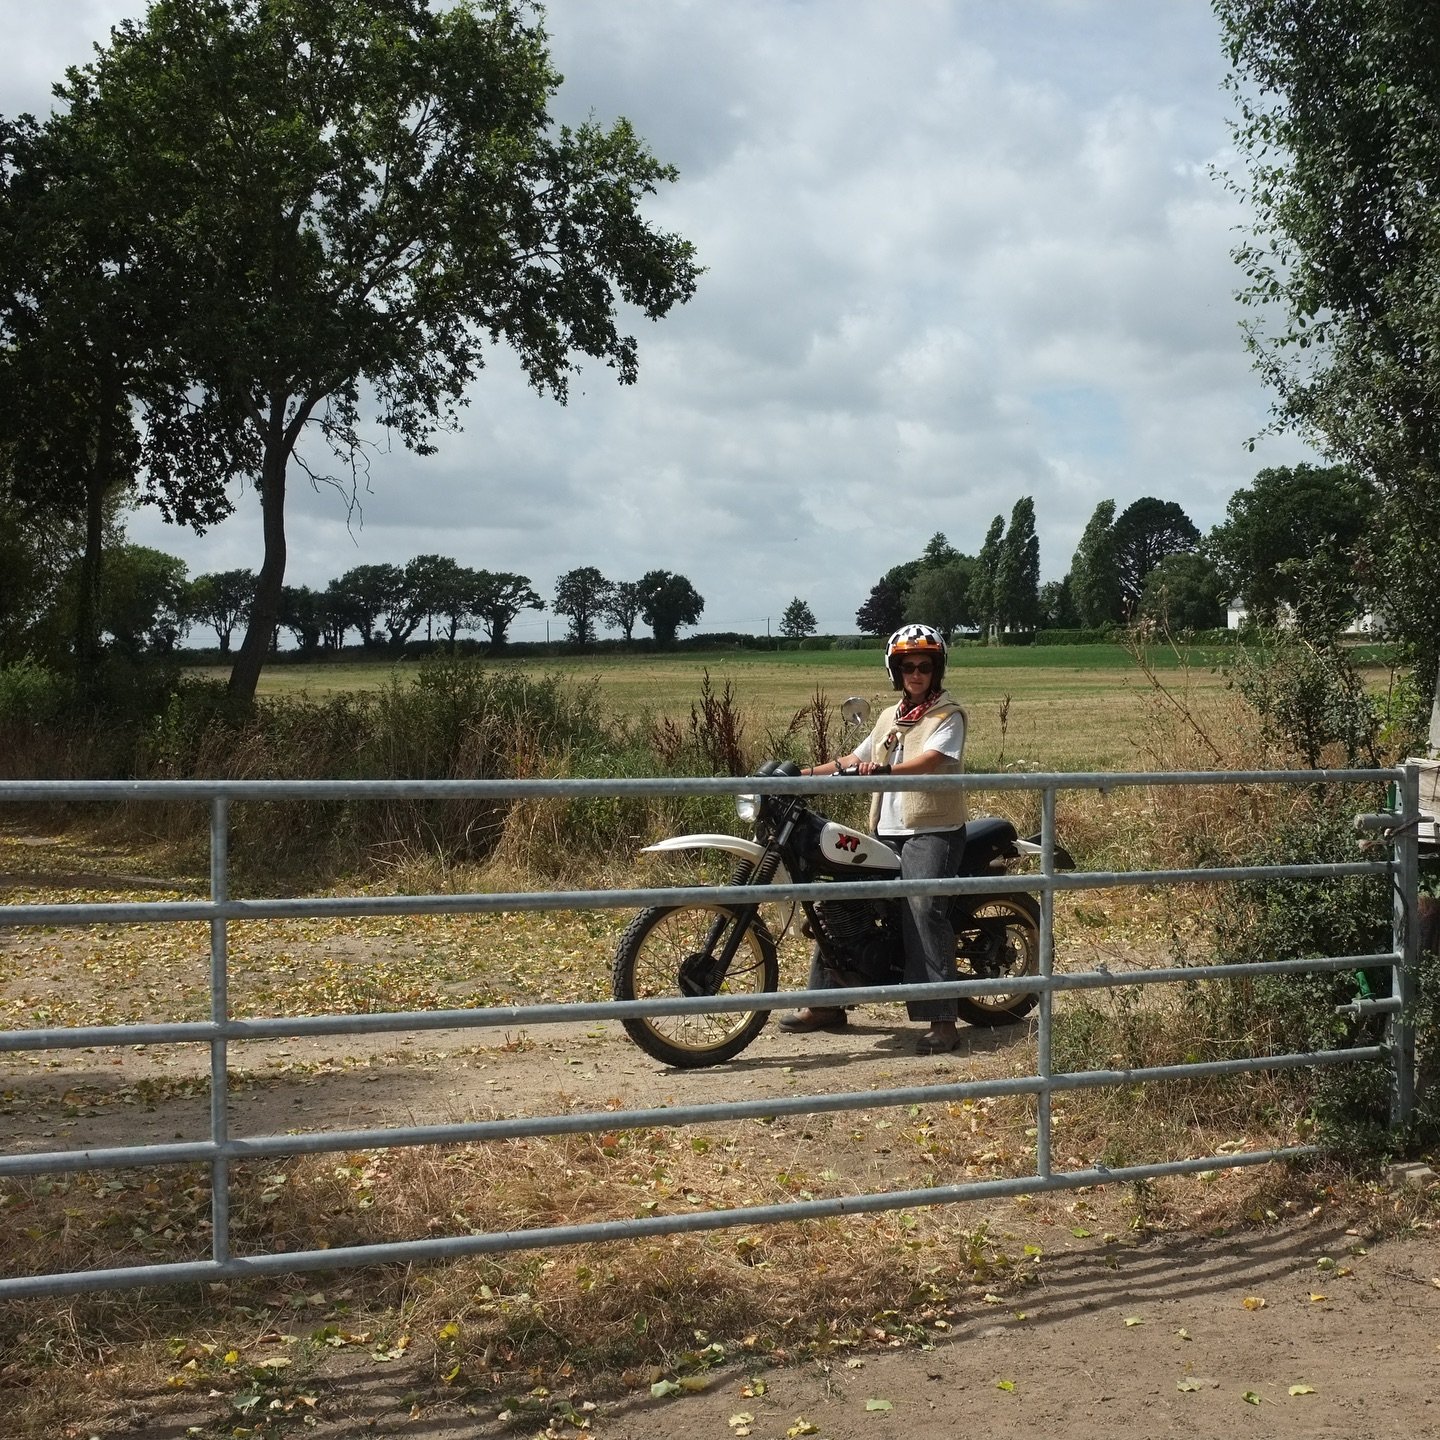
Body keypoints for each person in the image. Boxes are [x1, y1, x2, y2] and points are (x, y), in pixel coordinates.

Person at [779, 623, 968, 1055]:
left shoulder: (948, 715)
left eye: (924, 666)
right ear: (895, 671)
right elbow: (853, 759)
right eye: (907, 667)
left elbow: (931, 761)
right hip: (888, 830)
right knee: (842, 895)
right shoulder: (889, 717)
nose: (915, 674)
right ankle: (826, 1002)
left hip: (933, 832)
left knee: (921, 907)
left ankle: (942, 1020)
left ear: (936, 670)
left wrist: (881, 772)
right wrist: (798, 778)